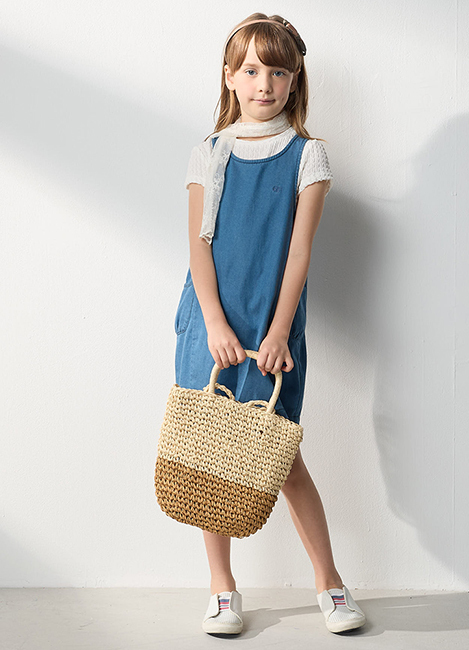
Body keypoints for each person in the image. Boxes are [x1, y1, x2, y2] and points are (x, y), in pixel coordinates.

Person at [173, 13, 367, 635]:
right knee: (209, 455)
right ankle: (222, 589)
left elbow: (299, 254)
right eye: (252, 70)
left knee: (281, 458)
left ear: (294, 80)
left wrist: (279, 331)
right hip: (210, 323)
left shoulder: (309, 156)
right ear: (230, 77)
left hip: (272, 325)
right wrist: (213, 323)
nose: (265, 84)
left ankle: (330, 584)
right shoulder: (209, 152)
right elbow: (199, 247)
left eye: (279, 72)